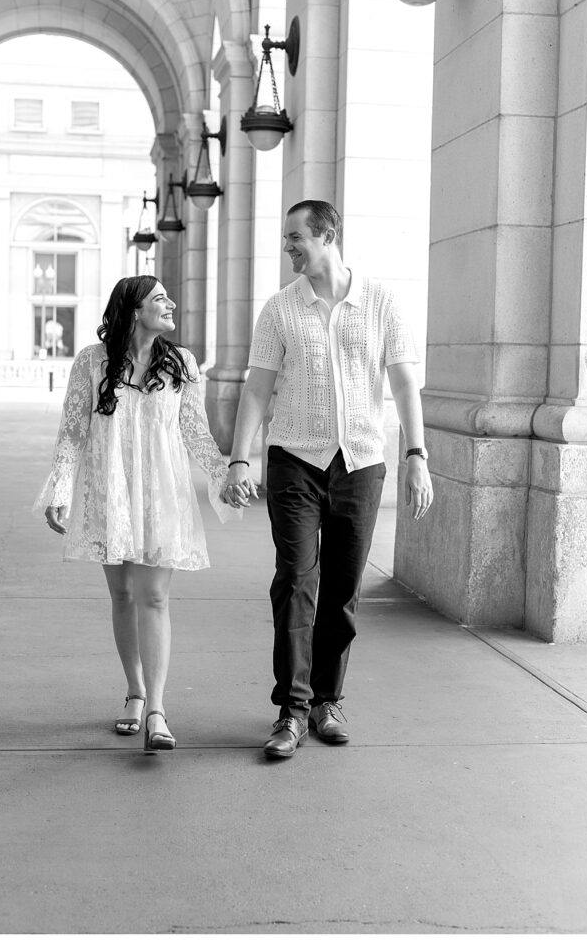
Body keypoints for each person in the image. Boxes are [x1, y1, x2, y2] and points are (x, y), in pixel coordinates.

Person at [222, 200, 433, 759]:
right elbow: (257, 390)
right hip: (294, 460)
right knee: (295, 578)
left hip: (361, 462)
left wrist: (416, 453)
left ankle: (326, 700)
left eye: (296, 237)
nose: (289, 247)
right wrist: (239, 459)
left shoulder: (381, 301)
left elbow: (405, 384)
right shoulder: (278, 310)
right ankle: (290, 711)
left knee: (341, 589)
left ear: (328, 235)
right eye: (286, 238)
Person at [34, 275, 246, 754]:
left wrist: (224, 476)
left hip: (161, 491)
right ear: (132, 310)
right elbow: (72, 432)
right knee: (124, 594)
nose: (170, 305)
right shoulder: (91, 362)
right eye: (158, 299)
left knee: (154, 598)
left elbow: (195, 432)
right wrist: (61, 488)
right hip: (110, 490)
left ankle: (157, 709)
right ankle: (134, 691)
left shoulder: (181, 363)